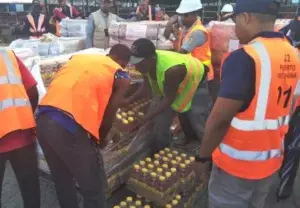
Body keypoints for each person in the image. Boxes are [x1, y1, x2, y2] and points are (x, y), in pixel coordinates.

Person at [195, 0, 300, 207]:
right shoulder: (293, 55)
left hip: (237, 165)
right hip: (270, 160)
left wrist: (203, 157)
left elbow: (219, 119)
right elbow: (291, 106)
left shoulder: (245, 57)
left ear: (246, 17)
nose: (235, 28)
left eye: (235, 21)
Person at [36, 44, 132, 208]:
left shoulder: (80, 59)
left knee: (62, 179)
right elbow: (110, 113)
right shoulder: (121, 75)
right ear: (122, 62)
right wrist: (101, 140)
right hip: (67, 128)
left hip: (42, 120)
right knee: (95, 188)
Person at [128, 38, 211, 152]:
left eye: (139, 63)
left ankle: (207, 151)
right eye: (134, 63)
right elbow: (146, 88)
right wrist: (129, 100)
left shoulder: (171, 70)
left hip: (195, 79)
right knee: (162, 120)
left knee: (197, 117)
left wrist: (145, 118)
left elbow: (169, 100)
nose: (136, 68)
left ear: (151, 59)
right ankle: (164, 150)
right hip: (174, 83)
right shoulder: (146, 65)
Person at [0, 49, 40, 208]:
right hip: (23, 134)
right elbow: (33, 91)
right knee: (30, 189)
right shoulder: (6, 54)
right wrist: (25, 117)